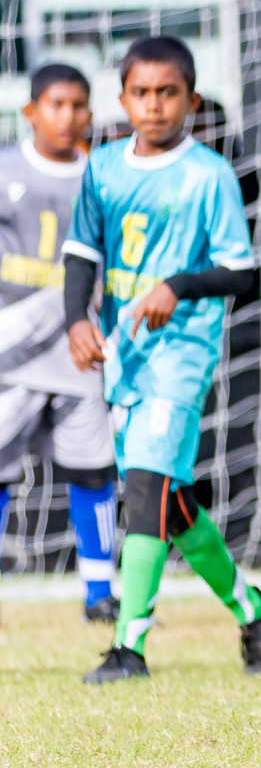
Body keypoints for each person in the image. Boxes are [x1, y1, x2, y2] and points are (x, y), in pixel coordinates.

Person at [62, 36, 261, 683]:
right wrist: (77, 319)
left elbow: (241, 274)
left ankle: (128, 648)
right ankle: (256, 612)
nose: (155, 105)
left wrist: (178, 286)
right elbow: (82, 252)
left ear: (190, 100)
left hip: (182, 355)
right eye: (142, 93)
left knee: (142, 492)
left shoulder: (209, 174)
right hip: (124, 354)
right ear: (123, 98)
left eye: (168, 93)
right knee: (170, 502)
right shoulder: (102, 167)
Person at [0, 65, 120, 623]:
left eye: (78, 106)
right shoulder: (5, 169)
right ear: (31, 111)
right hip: (13, 352)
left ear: (90, 113)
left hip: (79, 348)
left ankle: (100, 595)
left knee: (94, 470)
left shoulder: (103, 174)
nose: (67, 116)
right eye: (55, 105)